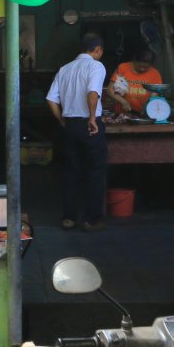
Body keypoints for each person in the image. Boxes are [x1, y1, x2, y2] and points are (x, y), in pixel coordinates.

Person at [45, 33, 108, 232]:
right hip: (89, 125)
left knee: (71, 172)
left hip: (70, 126)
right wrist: (91, 118)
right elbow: (93, 93)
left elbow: (51, 100)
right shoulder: (96, 66)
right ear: (97, 49)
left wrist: (62, 120)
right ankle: (91, 220)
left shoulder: (65, 69)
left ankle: (69, 218)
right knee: (95, 172)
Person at [108, 48, 163, 115]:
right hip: (122, 113)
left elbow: (154, 95)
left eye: (146, 67)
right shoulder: (122, 68)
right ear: (134, 60)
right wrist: (123, 101)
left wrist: (148, 108)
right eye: (139, 66)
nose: (142, 69)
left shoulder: (155, 73)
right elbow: (110, 90)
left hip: (143, 114)